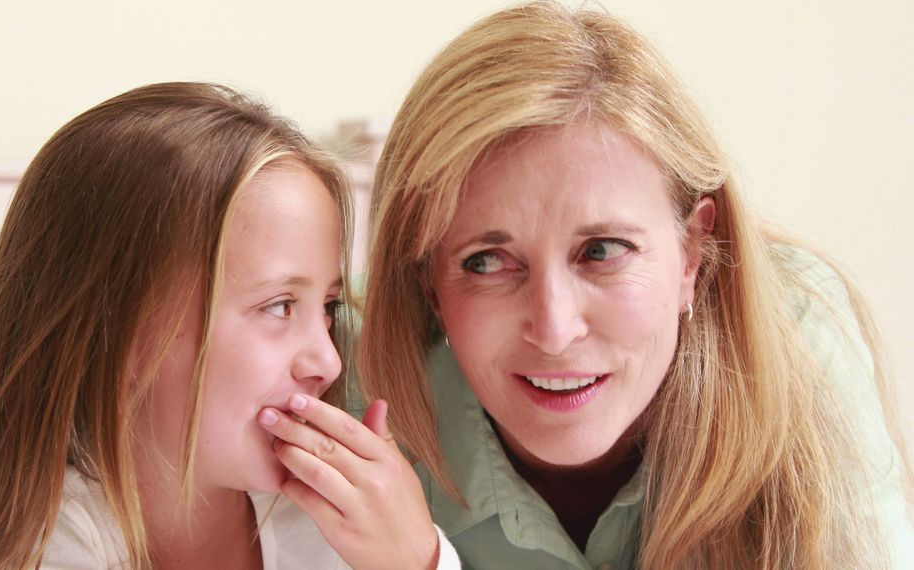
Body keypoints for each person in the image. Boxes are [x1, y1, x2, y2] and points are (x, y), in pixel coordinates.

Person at [357, 2, 913, 569]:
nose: (553, 329)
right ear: (428, 283)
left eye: (601, 252)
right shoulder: (349, 375)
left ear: (693, 252)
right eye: (487, 261)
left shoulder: (793, 336)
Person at [0, 82, 457, 569]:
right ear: (122, 331)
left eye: (327, 308)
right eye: (277, 306)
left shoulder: (326, 523)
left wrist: (416, 559)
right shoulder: (42, 539)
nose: (328, 361)